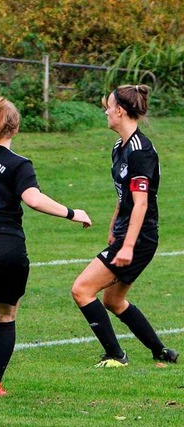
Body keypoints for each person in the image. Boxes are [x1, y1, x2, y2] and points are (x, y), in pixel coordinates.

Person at [0, 97, 92, 396]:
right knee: (5, 314)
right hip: (9, 248)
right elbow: (33, 199)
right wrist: (73, 213)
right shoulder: (18, 163)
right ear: (15, 129)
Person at [71, 85, 178, 367]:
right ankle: (161, 352)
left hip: (139, 238)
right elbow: (125, 195)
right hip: (127, 233)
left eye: (108, 106)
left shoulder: (141, 152)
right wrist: (113, 228)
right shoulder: (120, 148)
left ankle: (116, 355)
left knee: (81, 289)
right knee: (114, 301)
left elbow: (141, 203)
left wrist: (128, 245)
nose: (106, 111)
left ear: (120, 110)